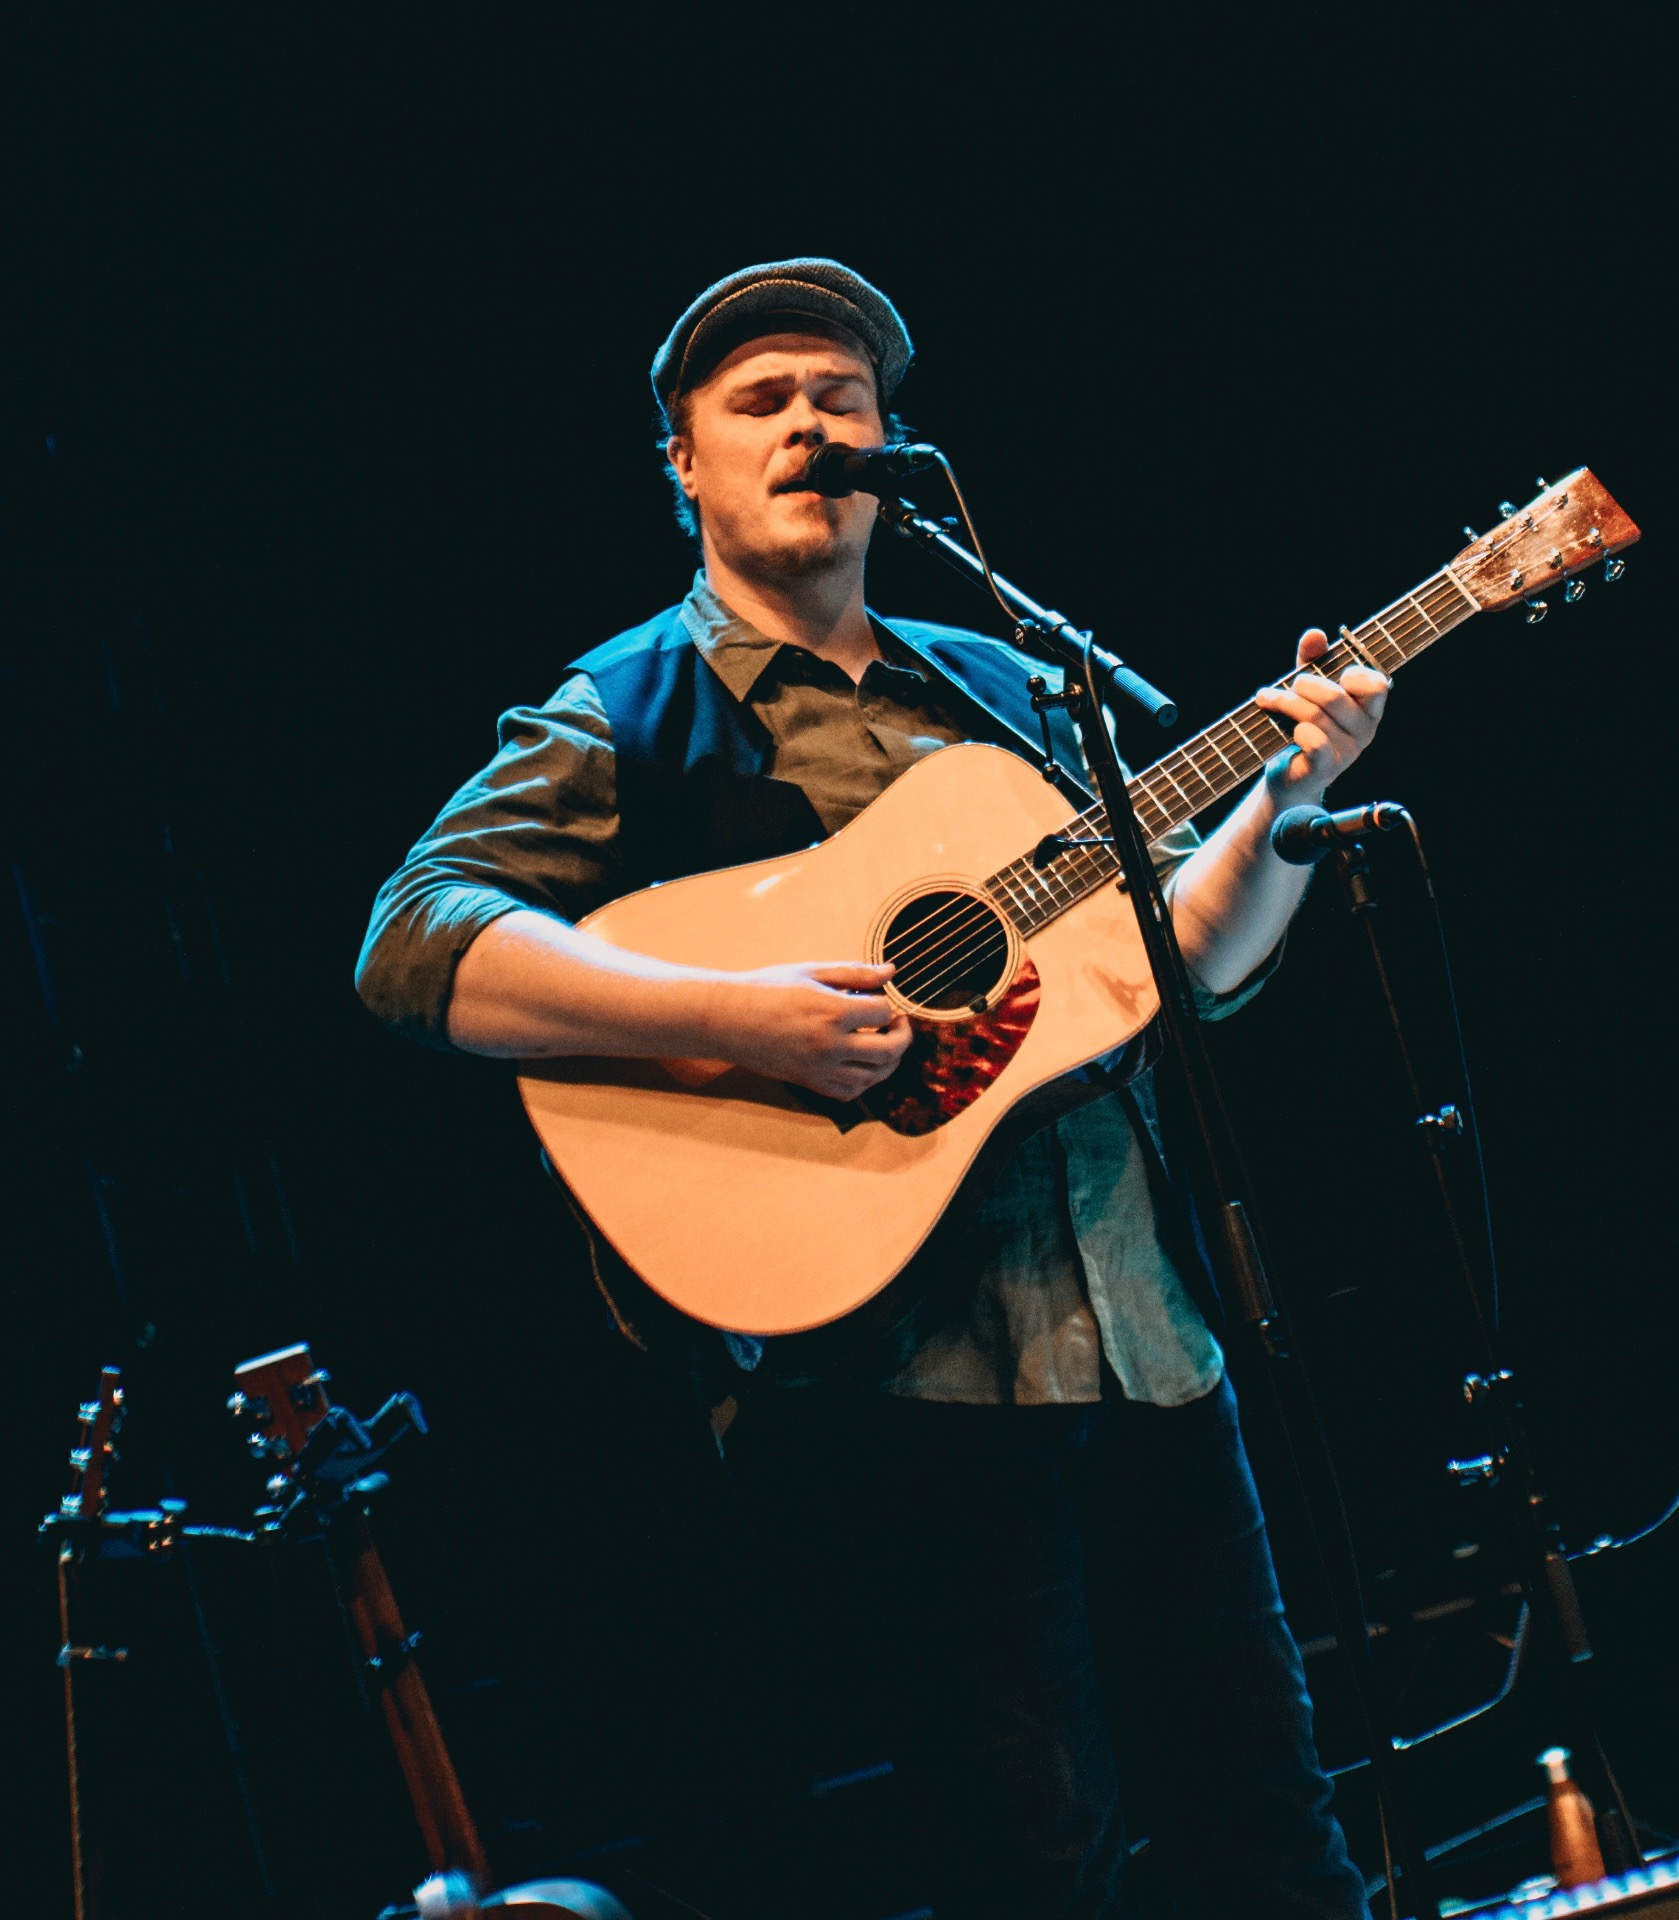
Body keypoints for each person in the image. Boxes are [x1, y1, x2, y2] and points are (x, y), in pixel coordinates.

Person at [357, 258, 1389, 1918]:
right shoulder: (626, 707)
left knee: (1275, 1839)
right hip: (906, 1389)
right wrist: (742, 1016)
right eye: (760, 400)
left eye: (843, 398)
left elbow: (1182, 963)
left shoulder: (1002, 685)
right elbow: (416, 939)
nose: (811, 424)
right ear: (682, 462)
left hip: (1148, 1341)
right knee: (1027, 1872)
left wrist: (1285, 797)